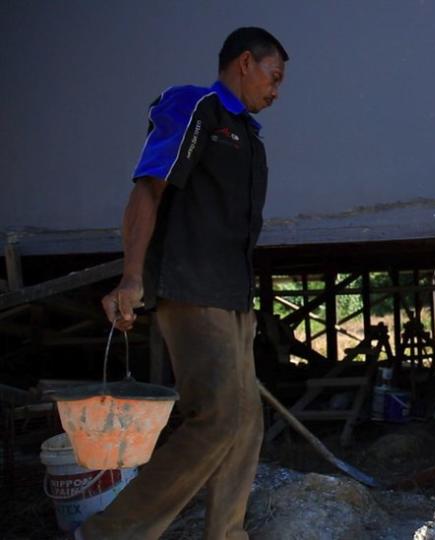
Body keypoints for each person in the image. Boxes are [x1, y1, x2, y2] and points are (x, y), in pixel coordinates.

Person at [84, 28, 288, 539]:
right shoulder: (193, 107)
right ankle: (110, 533)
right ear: (245, 62)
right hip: (190, 288)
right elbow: (147, 190)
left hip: (232, 294)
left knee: (245, 426)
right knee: (217, 418)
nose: (277, 90)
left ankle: (227, 534)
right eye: (273, 75)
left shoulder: (248, 138)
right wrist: (132, 278)